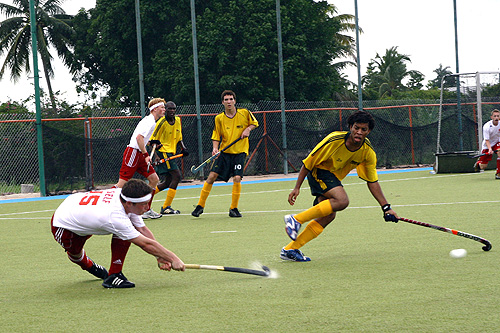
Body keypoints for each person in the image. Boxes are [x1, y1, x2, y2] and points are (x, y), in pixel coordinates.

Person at [280, 110, 399, 262]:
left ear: (369, 131)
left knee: (329, 215)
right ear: (350, 127)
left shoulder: (367, 152)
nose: (359, 132)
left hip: (333, 178)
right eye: (356, 127)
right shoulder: (334, 140)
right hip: (319, 171)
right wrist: (297, 187)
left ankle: (290, 249)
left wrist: (386, 207)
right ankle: (295, 219)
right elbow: (308, 162)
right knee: (342, 201)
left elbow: (372, 181)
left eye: (363, 129)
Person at [51, 179, 185, 288]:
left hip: (82, 211)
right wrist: (173, 258)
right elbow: (144, 243)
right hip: (64, 225)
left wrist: (160, 257)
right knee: (76, 255)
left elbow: (143, 230)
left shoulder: (125, 195)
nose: (147, 208)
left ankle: (114, 275)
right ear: (129, 203)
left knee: (127, 230)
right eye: (144, 204)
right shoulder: (115, 216)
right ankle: (88, 265)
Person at [191, 90, 259, 218]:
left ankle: (233, 208)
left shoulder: (244, 113)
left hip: (240, 152)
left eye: (231, 99)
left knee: (237, 178)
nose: (229, 102)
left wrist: (248, 129)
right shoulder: (219, 118)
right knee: (211, 176)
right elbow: (216, 135)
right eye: (226, 99)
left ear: (235, 101)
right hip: (224, 153)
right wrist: (215, 149)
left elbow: (254, 123)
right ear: (222, 102)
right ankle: (200, 206)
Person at [114, 98, 166, 219]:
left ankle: (146, 209)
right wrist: (146, 154)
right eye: (162, 107)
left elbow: (143, 139)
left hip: (139, 154)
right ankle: (104, 204)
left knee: (154, 179)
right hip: (133, 153)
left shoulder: (152, 121)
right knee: (122, 184)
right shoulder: (149, 121)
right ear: (155, 109)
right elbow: (138, 138)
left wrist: (151, 143)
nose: (164, 109)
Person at [150, 101, 189, 214]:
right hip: (163, 152)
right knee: (176, 176)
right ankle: (166, 206)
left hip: (171, 152)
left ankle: (146, 196)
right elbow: (153, 141)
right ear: (165, 110)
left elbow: (179, 136)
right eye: (169, 109)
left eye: (174, 109)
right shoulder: (161, 122)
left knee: (167, 182)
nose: (172, 111)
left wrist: (183, 148)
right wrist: (156, 156)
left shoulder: (177, 120)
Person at [473, 109, 500, 179]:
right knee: (483, 166)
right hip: (487, 145)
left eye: (498, 116)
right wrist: (490, 149)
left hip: (497, 143)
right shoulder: (487, 126)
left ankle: (498, 173)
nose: (496, 118)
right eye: (495, 116)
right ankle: (478, 163)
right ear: (492, 117)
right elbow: (487, 140)